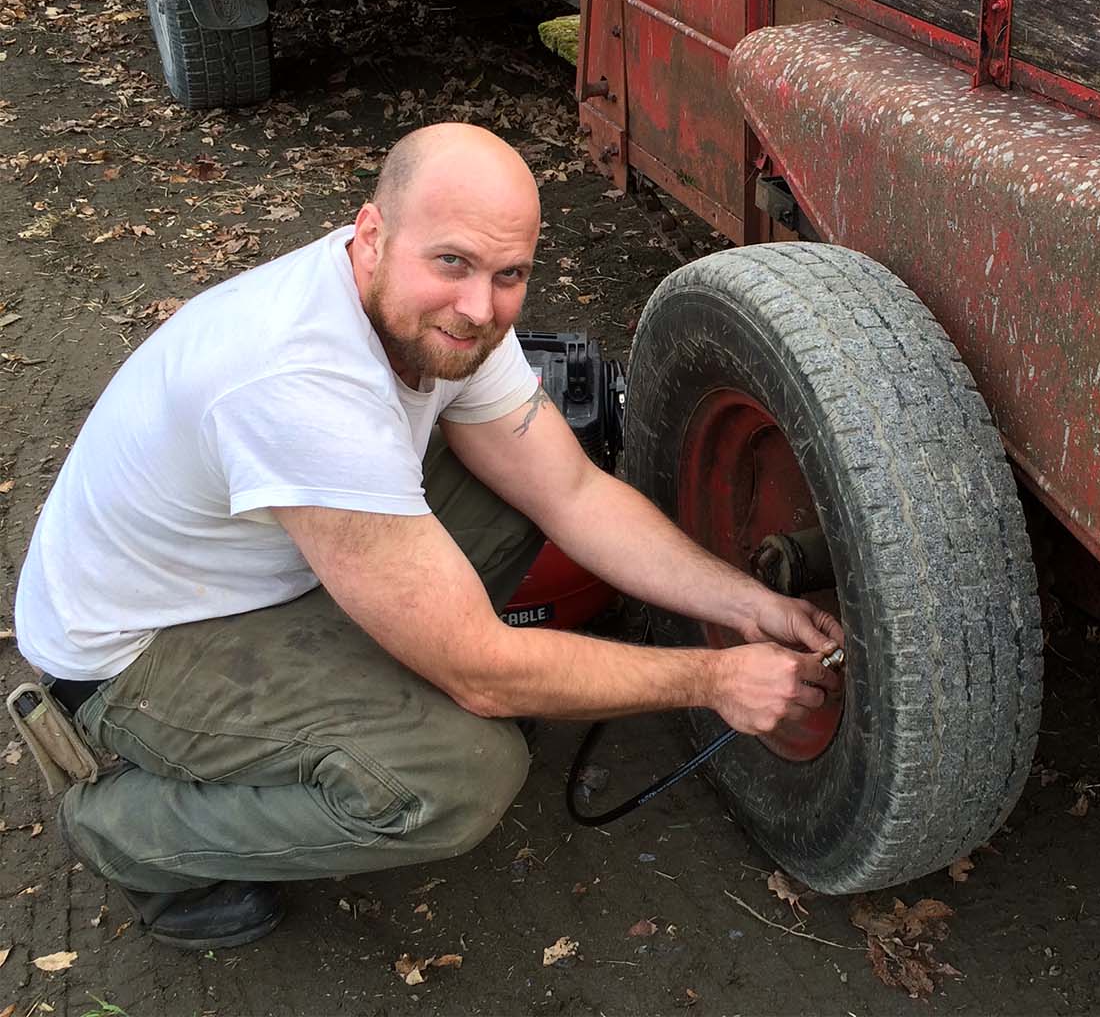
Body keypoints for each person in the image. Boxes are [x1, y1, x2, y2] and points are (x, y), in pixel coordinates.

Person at [12, 122, 842, 950]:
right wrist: (716, 678)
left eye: (508, 274)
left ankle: (383, 692)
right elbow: (483, 675)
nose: (480, 307)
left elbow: (574, 492)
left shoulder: (439, 321)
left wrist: (746, 602)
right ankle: (130, 833)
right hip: (136, 649)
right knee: (460, 776)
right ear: (371, 236)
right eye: (451, 262)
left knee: (518, 489)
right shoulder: (303, 384)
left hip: (257, 574)